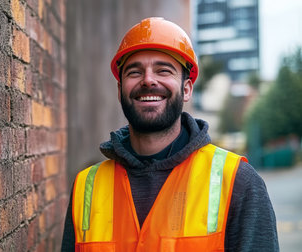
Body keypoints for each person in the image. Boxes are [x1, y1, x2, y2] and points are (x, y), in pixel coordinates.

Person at [61, 17, 278, 251]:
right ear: (119, 89)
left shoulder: (238, 182)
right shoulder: (86, 187)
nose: (148, 80)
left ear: (186, 89)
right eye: (134, 72)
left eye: (163, 70)